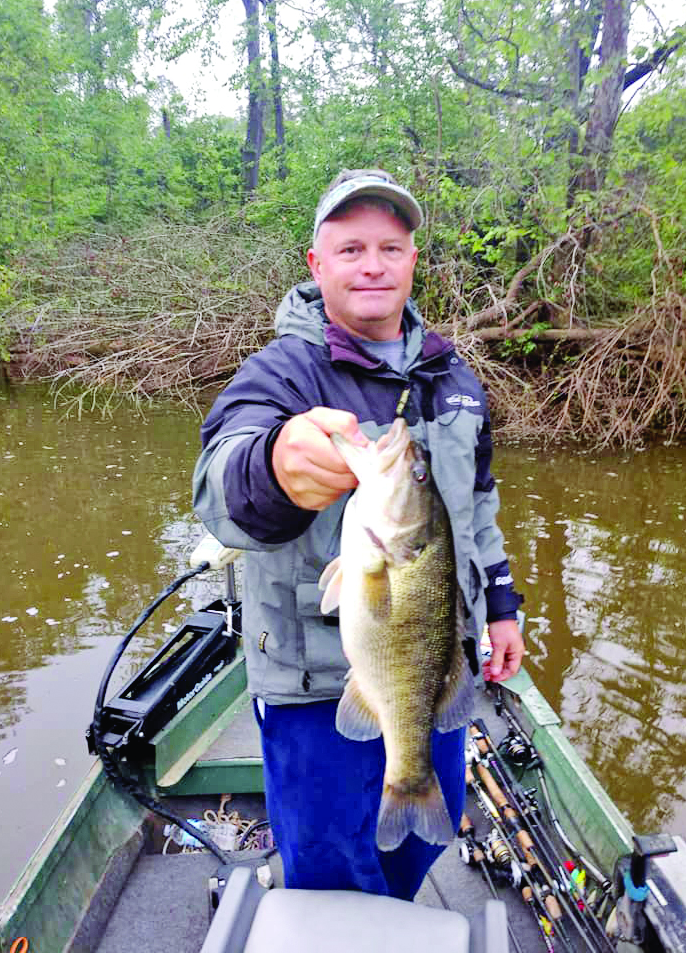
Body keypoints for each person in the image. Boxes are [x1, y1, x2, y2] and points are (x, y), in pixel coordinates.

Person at [193, 168, 524, 899]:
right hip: (315, 690)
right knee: (329, 871)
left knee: (415, 851)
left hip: (433, 665)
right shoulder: (279, 374)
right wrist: (274, 468)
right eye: (350, 250)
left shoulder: (453, 375)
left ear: (412, 260)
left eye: (390, 247)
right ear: (318, 265)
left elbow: (477, 500)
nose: (372, 264)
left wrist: (502, 608)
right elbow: (218, 487)